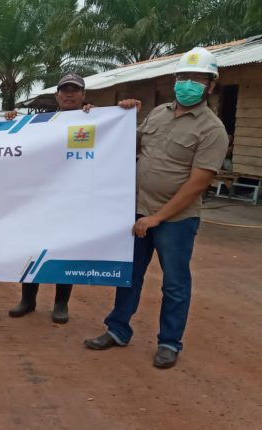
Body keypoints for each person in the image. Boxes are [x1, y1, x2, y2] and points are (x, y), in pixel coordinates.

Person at [84, 47, 229, 369]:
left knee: (175, 283)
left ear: (211, 85)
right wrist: (108, 117)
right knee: (129, 276)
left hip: (175, 220)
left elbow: (198, 183)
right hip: (138, 210)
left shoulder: (213, 130)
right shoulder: (159, 113)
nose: (187, 83)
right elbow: (125, 143)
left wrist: (157, 218)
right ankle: (117, 329)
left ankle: (169, 342)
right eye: (183, 77)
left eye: (197, 78)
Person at [9, 73, 87, 324]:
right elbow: (16, 141)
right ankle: (28, 299)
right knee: (32, 248)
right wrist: (10, 120)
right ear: (57, 95)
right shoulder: (41, 122)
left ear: (83, 95)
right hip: (39, 199)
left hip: (72, 200)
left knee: (65, 250)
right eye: (64, 90)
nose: (69, 94)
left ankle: (61, 303)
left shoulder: (93, 120)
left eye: (74, 90)